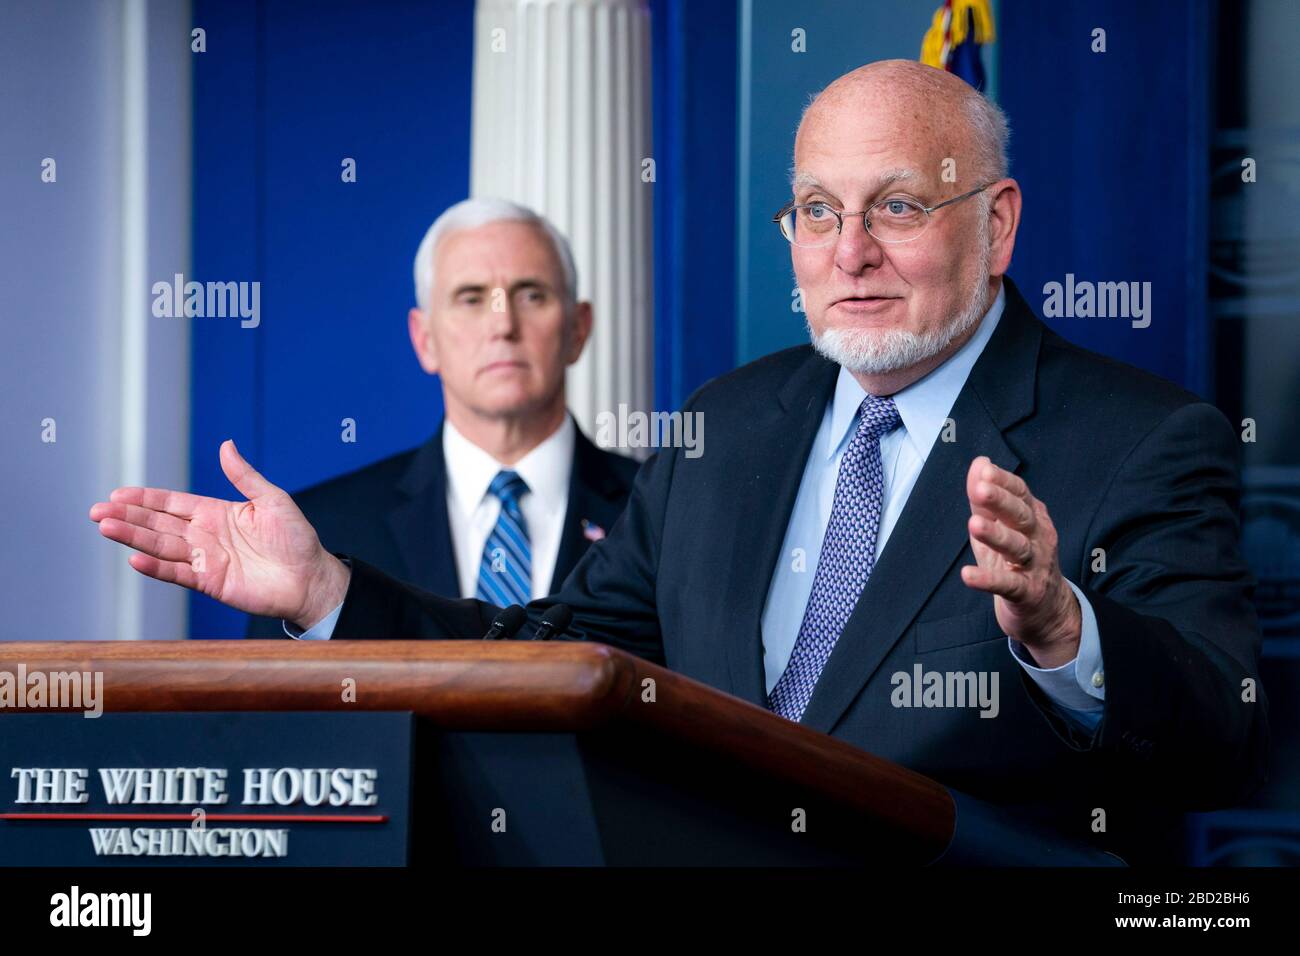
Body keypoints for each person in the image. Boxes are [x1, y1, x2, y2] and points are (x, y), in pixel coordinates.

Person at [91, 60, 1267, 864]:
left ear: (996, 223)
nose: (848, 250)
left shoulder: (1142, 436)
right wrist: (330, 594)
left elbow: (1224, 729)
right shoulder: (729, 423)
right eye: (815, 209)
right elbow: (569, 658)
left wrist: (1066, 632)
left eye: (897, 206)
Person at [243, 199, 639, 637]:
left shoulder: (658, 516)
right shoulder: (318, 533)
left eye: (531, 294)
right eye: (471, 298)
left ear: (578, 329)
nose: (502, 324)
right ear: (424, 339)